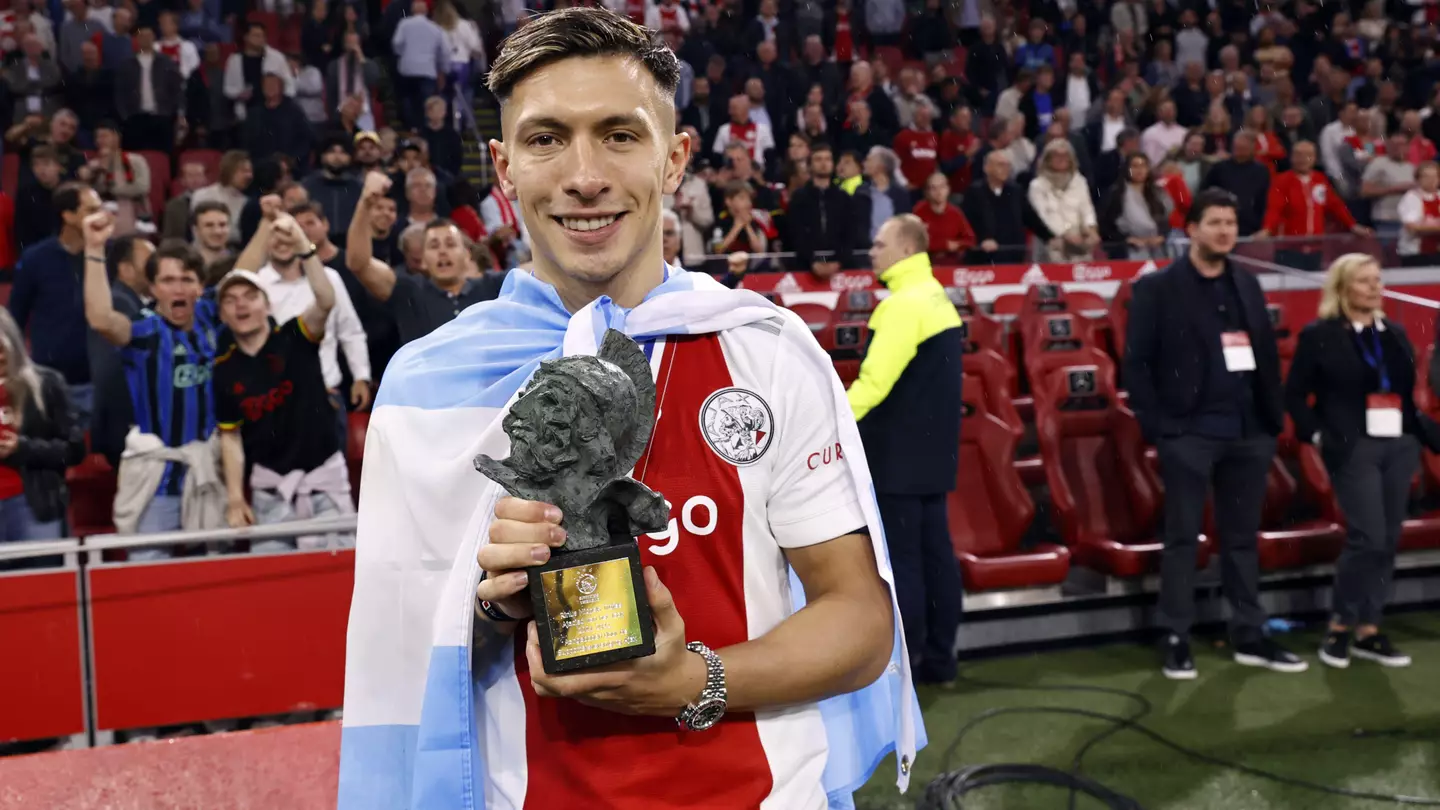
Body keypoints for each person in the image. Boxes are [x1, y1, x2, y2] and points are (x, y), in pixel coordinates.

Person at [339, 9, 918, 810]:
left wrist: (693, 680)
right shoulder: (431, 383)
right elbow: (393, 664)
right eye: (546, 140)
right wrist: (488, 603)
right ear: (504, 168)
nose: (584, 176)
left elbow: (858, 622)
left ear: (675, 158)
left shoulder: (767, 351)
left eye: (619, 134)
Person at [1125, 188, 1305, 680]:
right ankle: (1176, 635)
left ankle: (1249, 630)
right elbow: (1136, 365)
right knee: (1183, 537)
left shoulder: (1247, 284)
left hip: (1248, 431)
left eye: (1231, 223)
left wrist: (1271, 420)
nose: (1226, 231)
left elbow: (1265, 356)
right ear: (1192, 229)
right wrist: (1161, 428)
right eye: (1216, 223)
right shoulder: (1158, 288)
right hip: (1189, 433)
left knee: (1242, 537)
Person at [1285, 254, 1437, 670]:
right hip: (1353, 447)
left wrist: (1417, 435)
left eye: (1377, 279)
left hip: (1399, 444)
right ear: (1343, 287)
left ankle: (1370, 628)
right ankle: (1339, 626)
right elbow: (1295, 395)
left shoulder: (1395, 334)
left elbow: (1405, 394)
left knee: (1387, 540)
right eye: (1364, 281)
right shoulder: (1319, 335)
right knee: (1367, 537)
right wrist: (1317, 435)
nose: (1374, 287)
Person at [846, 213, 963, 684]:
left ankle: (905, 665)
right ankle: (941, 658)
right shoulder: (938, 298)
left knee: (906, 562)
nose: (872, 251)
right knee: (937, 555)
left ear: (906, 250)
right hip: (934, 455)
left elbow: (874, 384)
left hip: (897, 457)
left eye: (879, 244)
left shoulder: (901, 306)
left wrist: (832, 427)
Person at [214, 215, 354, 548]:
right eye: (230, 300)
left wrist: (305, 249)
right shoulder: (223, 369)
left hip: (322, 481)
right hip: (270, 492)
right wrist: (236, 498)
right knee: (273, 586)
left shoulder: (295, 334)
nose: (241, 305)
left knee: (335, 582)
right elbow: (229, 438)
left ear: (267, 304)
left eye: (249, 296)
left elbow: (325, 300)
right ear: (222, 315)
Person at [83, 226, 225, 551]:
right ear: (153, 288)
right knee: (151, 578)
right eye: (168, 280)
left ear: (200, 287)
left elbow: (245, 267)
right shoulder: (145, 332)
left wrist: (265, 224)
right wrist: (93, 249)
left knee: (213, 582)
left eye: (187, 280)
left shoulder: (207, 316)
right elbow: (102, 319)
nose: (179, 288)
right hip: (157, 485)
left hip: (205, 477)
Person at [347, 172, 503, 345]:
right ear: (423, 260)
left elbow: (535, 268)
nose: (442, 251)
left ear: (467, 255)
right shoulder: (409, 293)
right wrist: (365, 201)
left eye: (450, 244)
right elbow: (359, 264)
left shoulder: (493, 287)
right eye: (434, 246)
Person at [0, 307, 85, 570]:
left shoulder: (46, 383)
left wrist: (22, 448)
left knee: (44, 588)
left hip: (32, 505)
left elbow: (74, 449)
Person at [10, 182, 102, 424]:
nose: (99, 217)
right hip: (47, 381)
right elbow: (15, 318)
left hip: (97, 380)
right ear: (68, 215)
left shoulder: (109, 256)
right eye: (90, 210)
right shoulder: (35, 258)